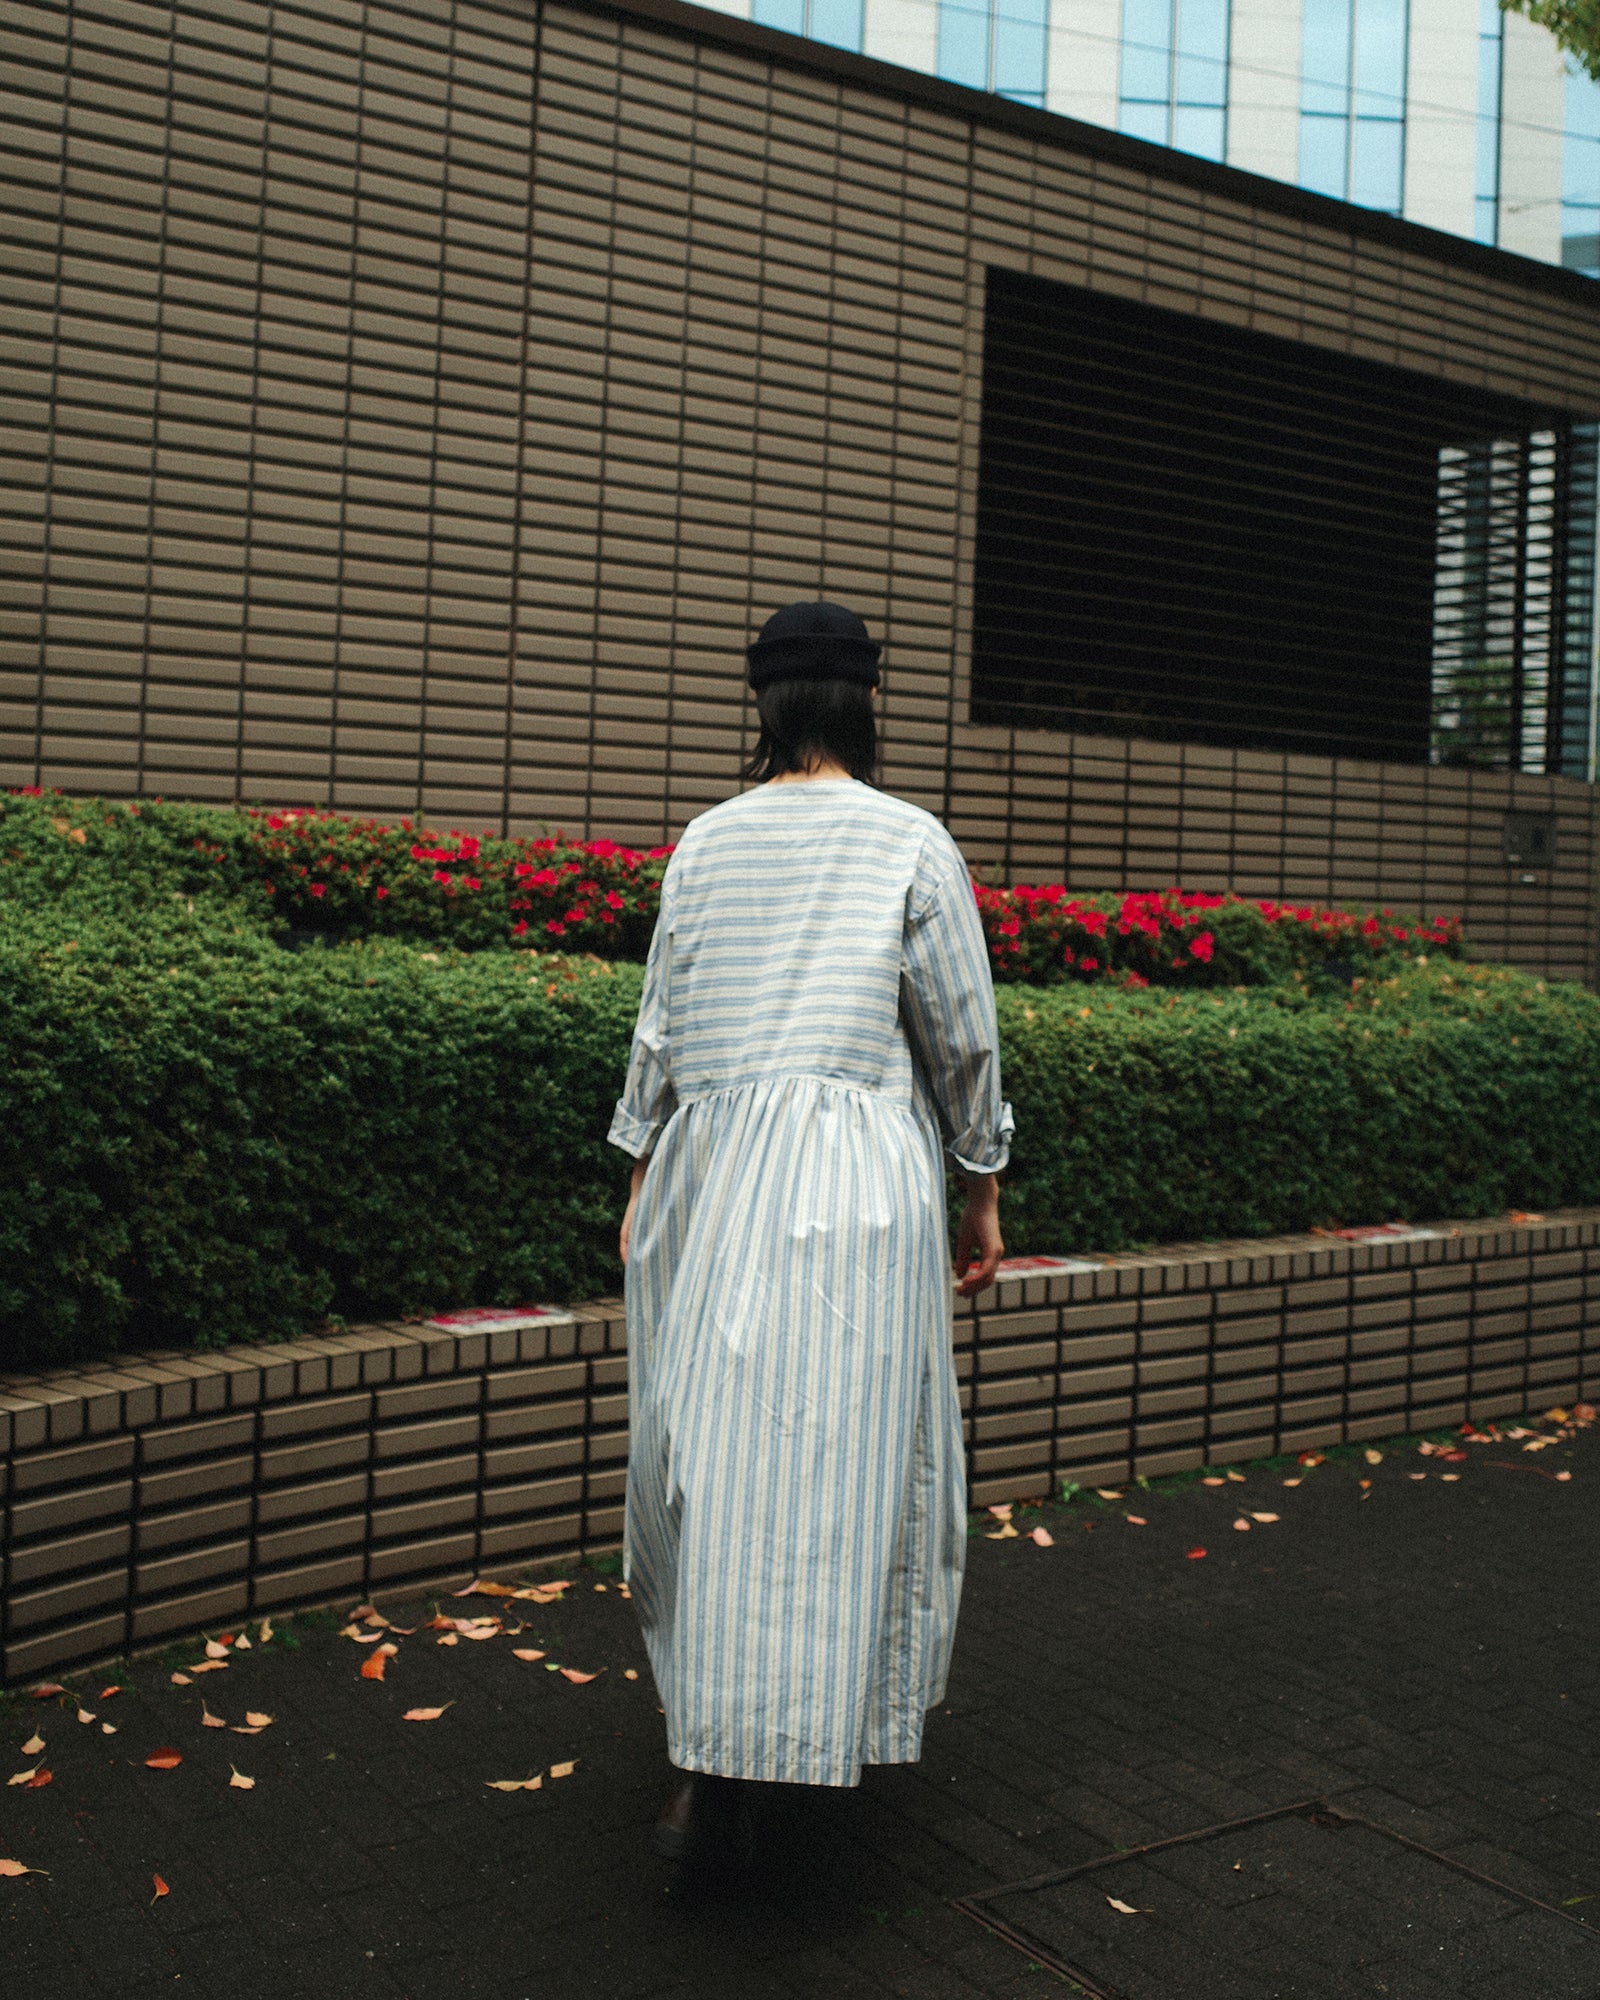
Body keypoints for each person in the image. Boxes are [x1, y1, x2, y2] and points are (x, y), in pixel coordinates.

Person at [607, 600, 1012, 1861]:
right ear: (864, 701)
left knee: (708, 1459)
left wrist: (637, 1155)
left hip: (713, 1174)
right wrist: (982, 1176)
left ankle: (707, 1754)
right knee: (839, 1460)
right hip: (858, 1190)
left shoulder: (707, 843)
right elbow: (961, 1032)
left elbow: (662, 1016)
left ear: (763, 704)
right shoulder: (909, 839)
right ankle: (797, 1731)